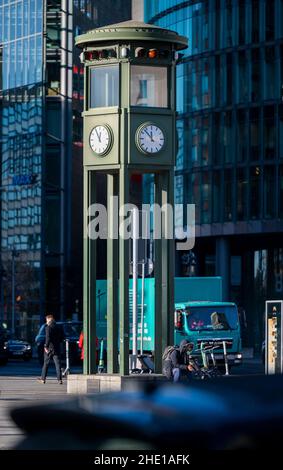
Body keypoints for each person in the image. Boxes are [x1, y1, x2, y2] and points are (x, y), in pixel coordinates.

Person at [37, 314, 64, 384]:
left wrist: (46, 346)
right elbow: (62, 338)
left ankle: (43, 379)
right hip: (56, 348)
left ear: (49, 319)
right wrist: (57, 343)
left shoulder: (48, 328)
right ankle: (59, 379)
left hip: (49, 348)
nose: (46, 322)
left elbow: (48, 338)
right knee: (58, 364)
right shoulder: (58, 327)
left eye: (46, 320)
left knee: (46, 364)